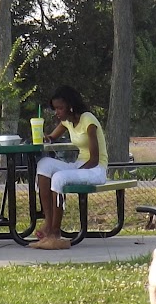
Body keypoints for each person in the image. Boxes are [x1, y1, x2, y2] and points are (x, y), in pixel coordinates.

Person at [30, 85, 106, 250]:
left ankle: (55, 234)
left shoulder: (88, 120)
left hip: (96, 169)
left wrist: (72, 172)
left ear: (70, 106)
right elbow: (51, 137)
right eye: (55, 108)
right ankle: (48, 224)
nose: (57, 112)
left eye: (60, 108)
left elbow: (94, 159)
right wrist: (45, 138)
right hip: (80, 165)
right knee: (44, 164)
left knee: (59, 177)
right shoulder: (67, 121)